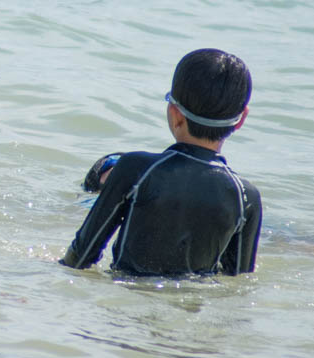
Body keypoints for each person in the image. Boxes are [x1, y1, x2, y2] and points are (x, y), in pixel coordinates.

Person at [61, 48, 262, 277]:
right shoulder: (246, 196)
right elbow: (238, 278)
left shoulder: (135, 168)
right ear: (241, 119)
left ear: (175, 115)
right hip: (191, 307)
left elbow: (81, 256)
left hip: (127, 302)